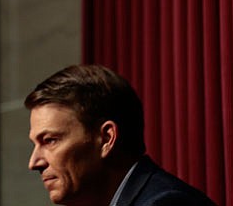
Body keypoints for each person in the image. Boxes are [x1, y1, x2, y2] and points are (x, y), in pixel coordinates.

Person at [24, 64, 217, 206]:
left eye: (50, 141)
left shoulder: (166, 203)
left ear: (107, 139)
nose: (34, 162)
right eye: (35, 144)